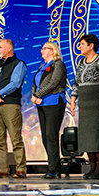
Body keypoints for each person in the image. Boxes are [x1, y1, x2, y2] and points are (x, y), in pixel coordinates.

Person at [70, 34, 99, 180]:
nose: (80, 47)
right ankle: (92, 168)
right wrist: (73, 100)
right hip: (85, 106)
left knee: (98, 136)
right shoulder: (81, 62)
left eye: (82, 44)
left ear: (91, 46)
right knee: (88, 137)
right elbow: (76, 83)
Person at [0, 39, 27, 178]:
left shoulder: (19, 64)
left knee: (15, 138)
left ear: (9, 48)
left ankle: (21, 169)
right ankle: (2, 168)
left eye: (0, 47)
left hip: (10, 104)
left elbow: (15, 83)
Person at [31, 41, 67, 179]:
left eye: (45, 48)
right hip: (42, 104)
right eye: (42, 48)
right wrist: (34, 95)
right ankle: (54, 165)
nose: (42, 51)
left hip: (54, 101)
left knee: (51, 135)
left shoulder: (58, 64)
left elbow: (54, 83)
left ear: (53, 50)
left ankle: (54, 169)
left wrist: (38, 95)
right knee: (45, 137)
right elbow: (35, 83)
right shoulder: (42, 66)